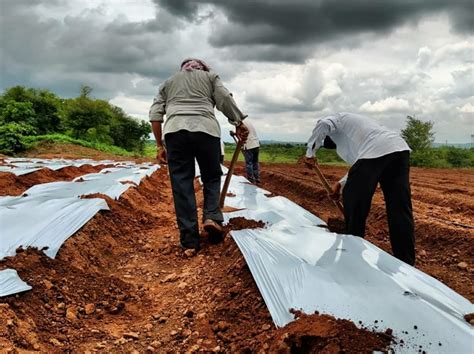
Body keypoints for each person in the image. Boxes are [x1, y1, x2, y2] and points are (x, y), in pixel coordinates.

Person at [149, 58, 248, 252]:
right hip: (206, 131)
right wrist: (238, 122)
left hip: (175, 132)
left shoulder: (168, 82)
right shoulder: (210, 77)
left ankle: (189, 240)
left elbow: (155, 115)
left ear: (183, 70)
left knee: (181, 183)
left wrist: (160, 146)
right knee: (211, 176)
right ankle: (211, 216)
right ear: (203, 69)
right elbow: (225, 98)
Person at [304, 112, 415, 265]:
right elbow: (359, 166)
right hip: (399, 150)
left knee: (354, 200)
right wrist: (340, 184)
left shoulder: (337, 119)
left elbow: (323, 124)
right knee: (399, 207)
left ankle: (352, 248)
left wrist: (310, 152)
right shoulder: (359, 130)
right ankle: (406, 260)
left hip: (377, 150)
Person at [242, 119, 261, 183]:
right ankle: (257, 177)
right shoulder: (248, 122)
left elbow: (241, 134)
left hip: (249, 144)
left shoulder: (240, 123)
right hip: (256, 144)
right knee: (255, 162)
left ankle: (250, 179)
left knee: (249, 163)